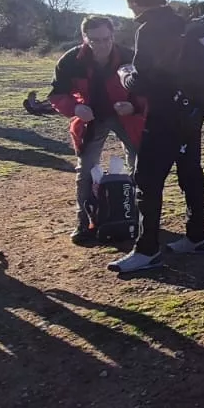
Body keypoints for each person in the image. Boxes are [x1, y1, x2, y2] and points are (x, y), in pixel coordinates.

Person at [107, 0, 204, 273]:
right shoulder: (185, 25)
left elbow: (144, 80)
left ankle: (146, 249)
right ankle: (196, 236)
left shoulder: (150, 29)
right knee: (190, 172)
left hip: (165, 114)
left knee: (147, 181)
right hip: (192, 111)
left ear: (135, 1)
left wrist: (124, 75)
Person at [47, 15, 146, 244]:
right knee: (86, 169)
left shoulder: (130, 57)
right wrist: (76, 107)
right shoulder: (71, 60)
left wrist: (134, 106)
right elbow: (57, 95)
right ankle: (84, 222)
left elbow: (148, 92)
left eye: (105, 38)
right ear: (85, 38)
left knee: (140, 164)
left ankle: (138, 218)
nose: (101, 44)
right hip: (90, 118)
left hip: (126, 116)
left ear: (113, 35)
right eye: (95, 40)